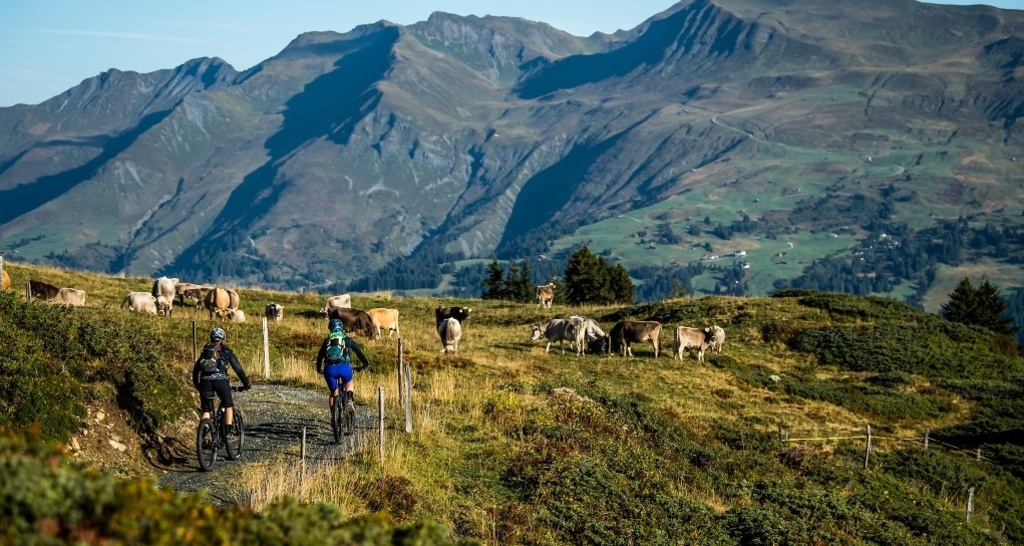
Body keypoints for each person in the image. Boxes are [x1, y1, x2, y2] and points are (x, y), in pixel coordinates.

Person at [192, 327, 251, 437]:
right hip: (221, 381)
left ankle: (202, 435)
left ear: (211, 338)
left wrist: (198, 386)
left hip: (205, 382)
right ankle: (228, 432)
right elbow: (238, 369)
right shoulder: (226, 352)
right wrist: (246, 383)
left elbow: (196, 371)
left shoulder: (204, 353)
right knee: (228, 405)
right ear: (223, 339)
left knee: (206, 410)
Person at [316, 318, 371, 416]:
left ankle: (333, 416)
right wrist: (366, 364)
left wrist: (319, 369)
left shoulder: (327, 341)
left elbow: (320, 356)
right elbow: (359, 353)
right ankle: (349, 400)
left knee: (333, 392)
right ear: (341, 328)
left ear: (330, 329)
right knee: (349, 382)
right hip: (344, 367)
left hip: (329, 369)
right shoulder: (347, 339)